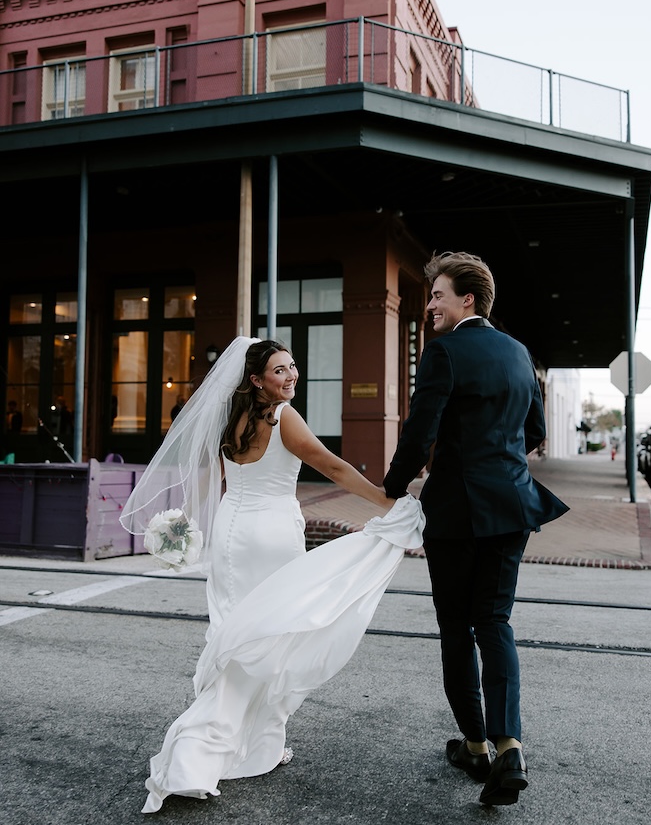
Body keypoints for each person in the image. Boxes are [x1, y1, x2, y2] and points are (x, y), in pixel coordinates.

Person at [120, 337, 424, 814]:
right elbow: (331, 465)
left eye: (293, 366)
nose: (291, 376)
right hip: (272, 536)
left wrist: (183, 522)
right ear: (257, 380)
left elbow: (211, 479)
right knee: (271, 637)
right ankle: (198, 755)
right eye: (280, 370)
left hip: (229, 535)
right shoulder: (283, 417)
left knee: (236, 636)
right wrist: (387, 501)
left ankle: (255, 745)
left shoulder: (228, 419)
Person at [383, 251, 569, 807]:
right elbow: (535, 429)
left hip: (458, 510)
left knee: (456, 626)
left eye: (436, 294)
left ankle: (475, 744)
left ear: (466, 298)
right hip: (513, 505)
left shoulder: (444, 353)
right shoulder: (519, 354)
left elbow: (419, 433)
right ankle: (509, 745)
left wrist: (392, 488)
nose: (429, 305)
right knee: (495, 621)